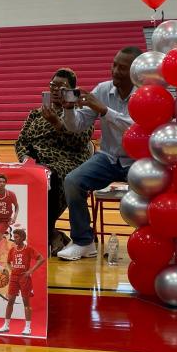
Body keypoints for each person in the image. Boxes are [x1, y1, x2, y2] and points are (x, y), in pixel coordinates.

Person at [57, 46, 142, 261]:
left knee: (150, 196)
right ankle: (84, 242)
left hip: (139, 161)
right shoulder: (102, 90)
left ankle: (146, 243)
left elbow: (139, 130)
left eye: (121, 68)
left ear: (135, 72)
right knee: (73, 181)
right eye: (114, 64)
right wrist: (68, 109)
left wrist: (105, 111)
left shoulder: (145, 94)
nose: (114, 71)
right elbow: (76, 125)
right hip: (109, 157)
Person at [14, 68, 93, 255]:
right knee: (15, 175)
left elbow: (79, 143)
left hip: (67, 160)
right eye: (53, 85)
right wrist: (25, 158)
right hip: (36, 161)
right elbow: (21, 141)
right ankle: (51, 235)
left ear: (72, 91)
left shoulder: (81, 114)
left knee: (49, 177)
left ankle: (42, 235)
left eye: (62, 87)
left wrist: (58, 123)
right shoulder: (36, 113)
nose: (56, 89)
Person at [0, 227, 44, 336]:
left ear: (22, 238)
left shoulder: (28, 249)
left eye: (17, 237)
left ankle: (27, 327)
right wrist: (11, 269)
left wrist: (31, 270)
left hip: (24, 278)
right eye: (14, 237)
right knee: (10, 301)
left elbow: (41, 258)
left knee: (26, 302)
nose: (15, 239)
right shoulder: (12, 250)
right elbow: (8, 262)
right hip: (14, 277)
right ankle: (6, 325)